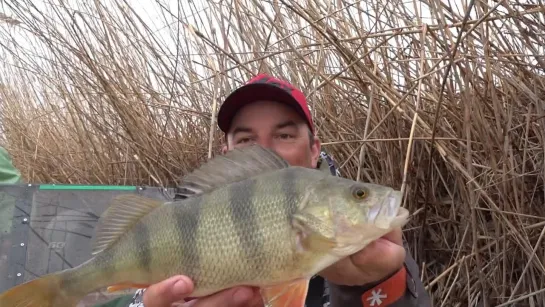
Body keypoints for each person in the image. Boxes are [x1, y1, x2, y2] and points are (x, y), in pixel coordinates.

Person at [97, 74, 431, 307]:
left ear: (315, 149)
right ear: (227, 152)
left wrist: (379, 287)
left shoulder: (374, 245)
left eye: (284, 135)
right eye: (245, 140)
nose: (266, 151)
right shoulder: (180, 219)